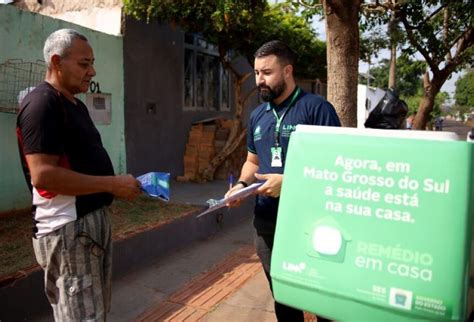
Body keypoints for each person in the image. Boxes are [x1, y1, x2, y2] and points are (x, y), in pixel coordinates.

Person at [16, 29, 142, 321]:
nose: (92, 71)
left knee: (93, 312)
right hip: (68, 230)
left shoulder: (74, 104)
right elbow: (43, 174)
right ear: (57, 62)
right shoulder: (42, 103)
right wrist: (111, 184)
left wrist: (115, 184)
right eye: (84, 64)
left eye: (92, 63)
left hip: (86, 228)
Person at [225, 40, 341, 322]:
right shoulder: (257, 115)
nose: (259, 80)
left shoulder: (316, 109)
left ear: (287, 70)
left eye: (267, 72)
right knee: (283, 297)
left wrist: (288, 182)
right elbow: (252, 161)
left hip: (310, 222)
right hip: (267, 222)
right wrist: (241, 185)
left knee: (320, 295)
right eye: (256, 73)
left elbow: (334, 166)